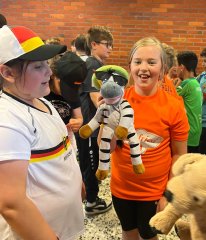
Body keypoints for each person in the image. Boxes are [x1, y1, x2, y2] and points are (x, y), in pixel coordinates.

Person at [0, 25, 84, 239]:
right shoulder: (8, 121)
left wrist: (77, 181)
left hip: (64, 227)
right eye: (38, 67)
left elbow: (60, 150)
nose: (49, 71)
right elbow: (12, 204)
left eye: (47, 63)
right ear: (8, 73)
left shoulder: (40, 101)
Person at [108, 37, 189, 240]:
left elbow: (179, 154)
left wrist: (169, 194)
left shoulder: (174, 106)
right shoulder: (118, 101)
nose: (144, 68)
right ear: (130, 67)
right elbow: (107, 148)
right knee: (128, 232)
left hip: (154, 192)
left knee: (148, 235)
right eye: (138, 62)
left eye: (151, 62)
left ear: (162, 68)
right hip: (121, 188)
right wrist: (107, 116)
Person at [76, 25, 113, 216]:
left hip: (92, 124)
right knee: (90, 161)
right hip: (89, 125)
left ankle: (90, 195)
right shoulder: (92, 65)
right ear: (94, 44)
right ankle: (91, 201)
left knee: (92, 160)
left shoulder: (97, 65)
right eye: (107, 44)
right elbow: (95, 97)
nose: (110, 48)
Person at [176, 51, 203, 153]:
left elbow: (168, 98)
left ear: (182, 67)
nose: (176, 68)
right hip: (196, 129)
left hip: (189, 131)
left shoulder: (186, 83)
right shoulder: (195, 82)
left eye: (176, 65)